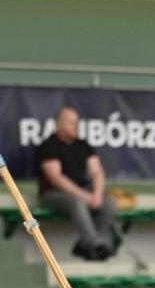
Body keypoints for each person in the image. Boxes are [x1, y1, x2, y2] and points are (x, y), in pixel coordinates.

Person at [38, 106, 116, 261]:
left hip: (83, 193)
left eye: (76, 122)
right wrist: (84, 196)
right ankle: (95, 243)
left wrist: (97, 194)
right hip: (53, 195)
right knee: (76, 202)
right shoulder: (49, 146)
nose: (75, 126)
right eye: (70, 122)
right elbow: (56, 178)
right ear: (58, 124)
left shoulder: (82, 145)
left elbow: (97, 172)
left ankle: (88, 244)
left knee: (108, 204)